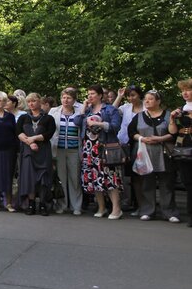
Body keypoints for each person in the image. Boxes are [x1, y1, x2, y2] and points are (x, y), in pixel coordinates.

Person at [128, 90, 179, 222]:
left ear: (158, 101)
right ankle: (147, 211)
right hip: (145, 153)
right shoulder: (138, 116)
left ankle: (169, 212)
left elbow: (174, 133)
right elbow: (131, 132)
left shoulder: (168, 115)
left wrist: (161, 138)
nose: (147, 101)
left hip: (164, 153)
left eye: (151, 99)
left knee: (166, 183)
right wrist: (142, 138)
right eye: (146, 99)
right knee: (146, 183)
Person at [76, 85, 123, 219]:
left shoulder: (110, 109)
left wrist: (100, 124)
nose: (90, 96)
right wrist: (83, 107)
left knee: (110, 178)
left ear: (100, 95)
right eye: (88, 94)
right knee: (94, 177)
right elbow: (77, 122)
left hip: (104, 147)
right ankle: (101, 207)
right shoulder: (88, 110)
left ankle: (116, 208)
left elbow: (115, 126)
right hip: (89, 149)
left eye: (92, 94)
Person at [17, 92, 56, 216]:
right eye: (29, 102)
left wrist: (33, 139)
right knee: (29, 178)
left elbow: (49, 134)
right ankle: (31, 203)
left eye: (33, 101)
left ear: (40, 102)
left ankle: (44, 204)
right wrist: (29, 142)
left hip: (43, 151)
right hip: (28, 152)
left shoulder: (48, 118)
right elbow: (18, 132)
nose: (31, 104)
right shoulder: (23, 117)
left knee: (44, 178)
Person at [50, 88, 82, 215]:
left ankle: (76, 206)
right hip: (59, 149)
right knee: (61, 178)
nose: (65, 100)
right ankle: (62, 205)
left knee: (75, 178)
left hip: (74, 150)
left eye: (69, 98)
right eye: (63, 97)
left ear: (74, 100)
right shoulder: (54, 111)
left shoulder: (79, 112)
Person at [114, 84, 145, 212]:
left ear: (139, 95)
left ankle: (143, 205)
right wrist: (119, 97)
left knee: (141, 175)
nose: (130, 98)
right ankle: (130, 203)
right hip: (124, 143)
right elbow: (112, 110)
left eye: (133, 95)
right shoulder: (125, 107)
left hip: (141, 143)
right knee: (127, 176)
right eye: (128, 96)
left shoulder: (145, 107)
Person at [168, 78, 192, 226]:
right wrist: (171, 118)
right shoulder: (181, 109)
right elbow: (172, 132)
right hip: (183, 147)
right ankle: (191, 215)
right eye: (183, 90)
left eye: (188, 90)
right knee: (188, 182)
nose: (185, 93)